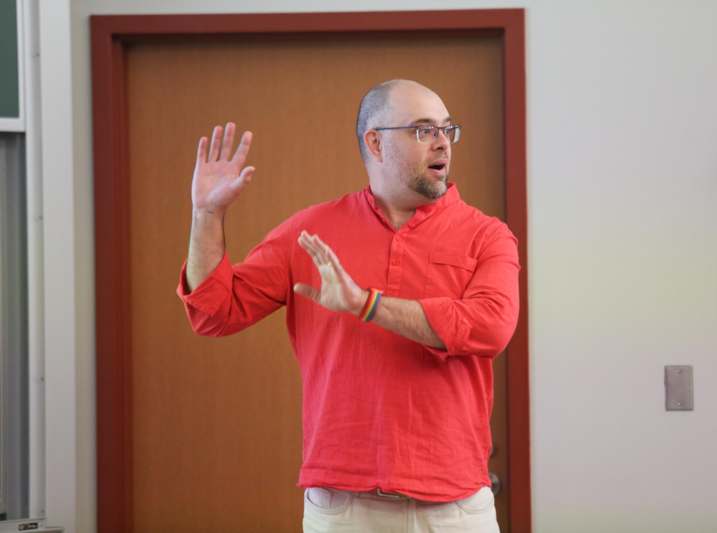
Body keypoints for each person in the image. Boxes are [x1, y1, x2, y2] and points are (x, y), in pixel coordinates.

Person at [177, 79, 519, 533]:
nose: (442, 142)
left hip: (456, 509)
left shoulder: (487, 235)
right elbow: (214, 312)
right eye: (422, 129)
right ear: (375, 142)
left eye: (446, 129)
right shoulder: (311, 231)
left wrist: (367, 305)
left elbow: (491, 326)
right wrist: (206, 217)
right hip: (343, 508)